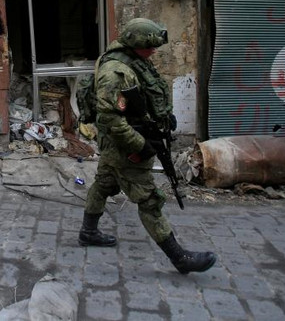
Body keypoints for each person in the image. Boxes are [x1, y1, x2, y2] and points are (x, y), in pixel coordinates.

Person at [78, 18, 217, 274]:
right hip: (124, 146)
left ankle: (88, 232)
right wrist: (140, 145)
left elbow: (141, 99)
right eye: (150, 47)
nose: (154, 51)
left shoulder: (133, 60)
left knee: (104, 183)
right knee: (149, 200)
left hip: (120, 143)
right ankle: (179, 258)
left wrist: (163, 116)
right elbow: (109, 118)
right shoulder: (116, 72)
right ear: (135, 44)